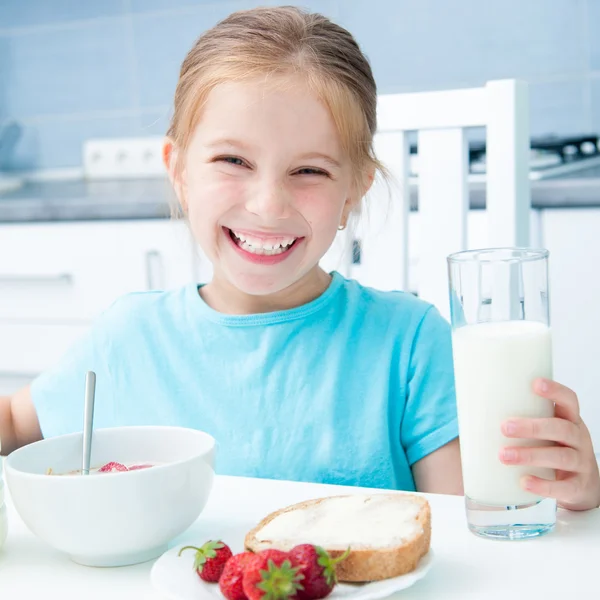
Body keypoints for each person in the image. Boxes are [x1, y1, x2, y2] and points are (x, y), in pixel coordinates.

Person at [1, 6, 598, 509]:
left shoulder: (411, 346)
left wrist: (576, 494)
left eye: (308, 170)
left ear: (355, 189)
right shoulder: (127, 337)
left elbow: (482, 531)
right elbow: (14, 423)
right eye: (233, 161)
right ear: (179, 171)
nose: (267, 204)